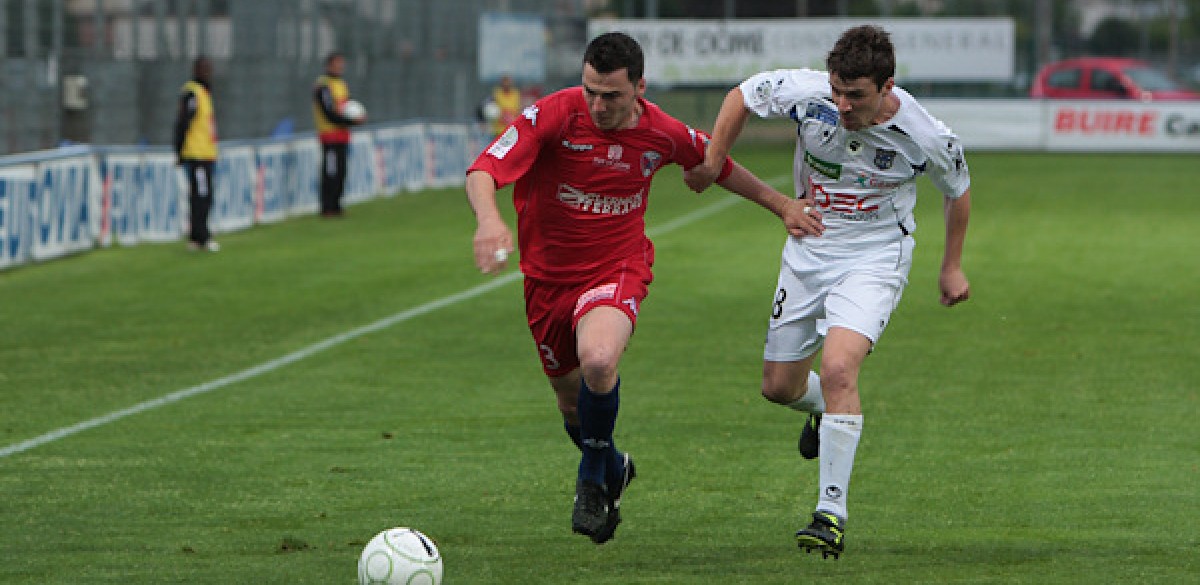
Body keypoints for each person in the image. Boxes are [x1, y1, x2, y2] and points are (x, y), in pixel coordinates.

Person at [466, 31, 814, 545]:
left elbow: (717, 163)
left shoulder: (660, 131)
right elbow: (484, 169)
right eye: (590, 91)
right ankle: (612, 465)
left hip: (616, 268)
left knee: (599, 360)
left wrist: (783, 205)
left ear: (639, 88)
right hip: (546, 280)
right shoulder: (554, 114)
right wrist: (488, 220)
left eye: (611, 96)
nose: (598, 105)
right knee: (571, 405)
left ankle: (591, 482)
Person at [685, 24, 972, 559]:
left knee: (840, 368)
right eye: (837, 91)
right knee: (779, 387)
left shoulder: (925, 134)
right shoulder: (808, 92)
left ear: (887, 87)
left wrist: (950, 266)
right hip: (807, 250)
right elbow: (741, 96)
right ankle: (824, 410)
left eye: (855, 95)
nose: (841, 105)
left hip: (875, 258)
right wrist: (713, 160)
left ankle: (830, 514)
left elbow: (958, 190)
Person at [173, 56, 220, 252]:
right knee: (201, 196)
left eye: (208, 68)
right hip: (197, 154)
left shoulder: (204, 92)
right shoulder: (192, 93)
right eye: (203, 68)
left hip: (205, 153)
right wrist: (179, 151)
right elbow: (183, 123)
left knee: (203, 195)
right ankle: (201, 237)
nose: (207, 72)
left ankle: (197, 236)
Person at [313, 51, 364, 217]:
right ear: (329, 65)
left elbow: (346, 108)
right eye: (337, 63)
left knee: (341, 172)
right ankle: (327, 207)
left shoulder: (341, 84)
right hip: (330, 136)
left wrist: (353, 119)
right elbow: (328, 112)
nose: (341, 66)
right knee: (331, 172)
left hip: (342, 136)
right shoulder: (323, 85)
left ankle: (336, 205)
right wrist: (351, 121)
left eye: (342, 63)